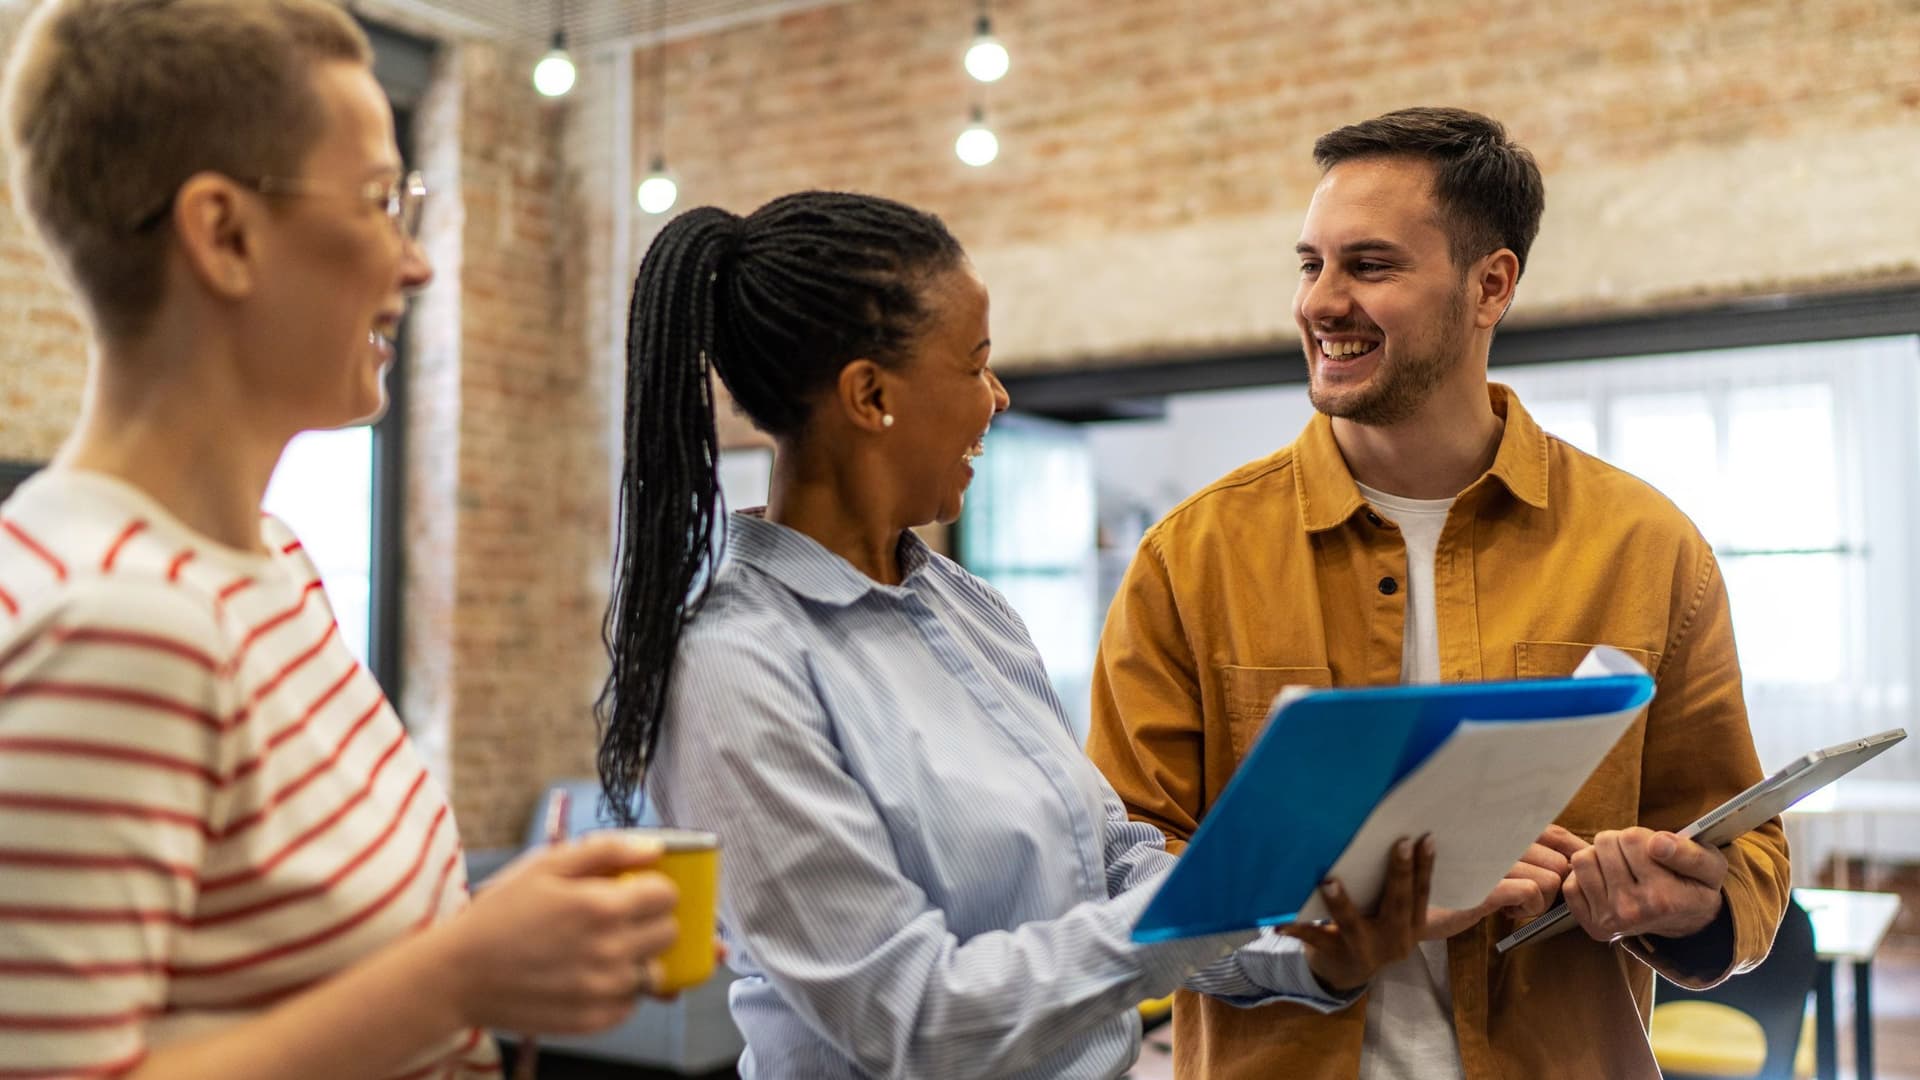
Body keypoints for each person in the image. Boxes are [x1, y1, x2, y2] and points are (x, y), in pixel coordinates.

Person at [595, 190, 1457, 1079]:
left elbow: (1114, 867)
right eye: (975, 365)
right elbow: (913, 1014)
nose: (997, 399)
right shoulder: (734, 662)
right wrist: (1234, 889)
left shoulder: (969, 610)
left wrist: (1312, 954)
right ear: (870, 395)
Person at [0, 3, 683, 1077]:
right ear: (223, 234)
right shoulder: (112, 624)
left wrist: (509, 946)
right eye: (380, 203)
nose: (415, 265)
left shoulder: (273, 563)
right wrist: (460, 978)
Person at [1086, 106, 1793, 1080]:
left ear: (1490, 285)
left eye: (1369, 266)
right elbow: (1120, 867)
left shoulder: (1647, 547)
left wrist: (1689, 903)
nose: (1320, 302)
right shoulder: (1190, 558)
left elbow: (1747, 856)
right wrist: (1331, 908)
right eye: (1310, 265)